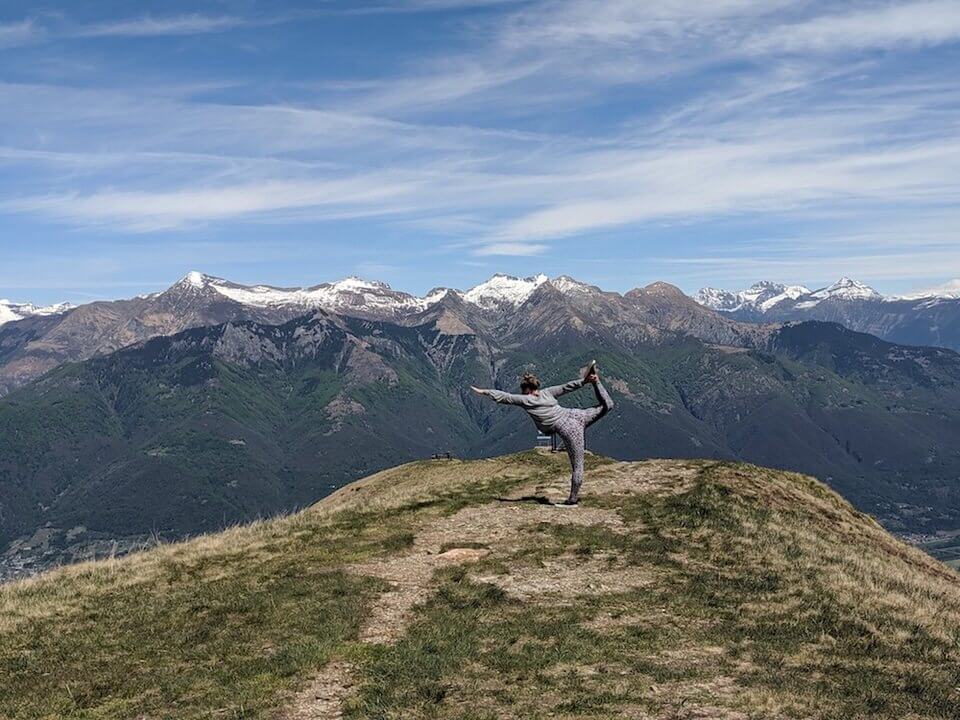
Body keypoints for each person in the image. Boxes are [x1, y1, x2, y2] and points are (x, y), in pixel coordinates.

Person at [471, 361, 614, 505]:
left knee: (578, 465)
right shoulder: (548, 392)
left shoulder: (526, 399)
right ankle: (596, 381)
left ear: (526, 390)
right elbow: (566, 387)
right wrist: (584, 381)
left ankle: (572, 499)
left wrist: (484, 392)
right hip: (577, 414)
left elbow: (505, 397)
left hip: (569, 427)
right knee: (607, 406)